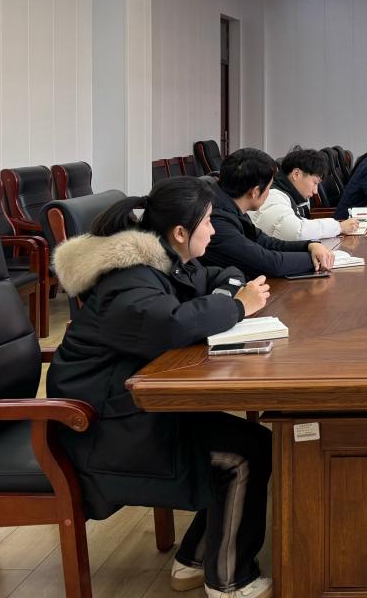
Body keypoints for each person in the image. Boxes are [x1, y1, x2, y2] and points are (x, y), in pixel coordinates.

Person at [47, 177, 274, 598]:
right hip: (100, 428)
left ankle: (195, 558)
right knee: (245, 453)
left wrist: (227, 296)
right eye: (208, 222)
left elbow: (221, 274)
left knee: (252, 443)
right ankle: (229, 580)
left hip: (129, 407)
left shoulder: (168, 262)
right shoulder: (129, 280)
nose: (214, 231)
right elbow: (173, 325)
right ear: (180, 232)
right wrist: (237, 306)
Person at [201, 147, 335, 278]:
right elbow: (270, 263)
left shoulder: (231, 205)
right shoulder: (215, 219)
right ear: (255, 192)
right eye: (269, 187)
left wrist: (310, 246)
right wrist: (316, 259)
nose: (270, 192)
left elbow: (265, 242)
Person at [250, 147, 360, 240]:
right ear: (296, 174)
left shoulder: (289, 194)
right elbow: (296, 231)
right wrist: (339, 227)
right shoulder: (273, 196)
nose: (315, 191)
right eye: (315, 183)